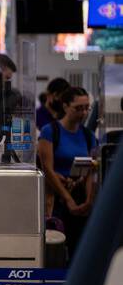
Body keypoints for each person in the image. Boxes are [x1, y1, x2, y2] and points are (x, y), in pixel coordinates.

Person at [38, 86, 98, 257]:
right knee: (56, 249)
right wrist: (68, 199)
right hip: (57, 197)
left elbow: (91, 170)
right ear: (65, 106)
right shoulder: (50, 131)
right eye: (78, 108)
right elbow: (47, 169)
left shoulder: (88, 135)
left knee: (79, 248)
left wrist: (88, 200)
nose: (84, 113)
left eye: (87, 108)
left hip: (79, 197)